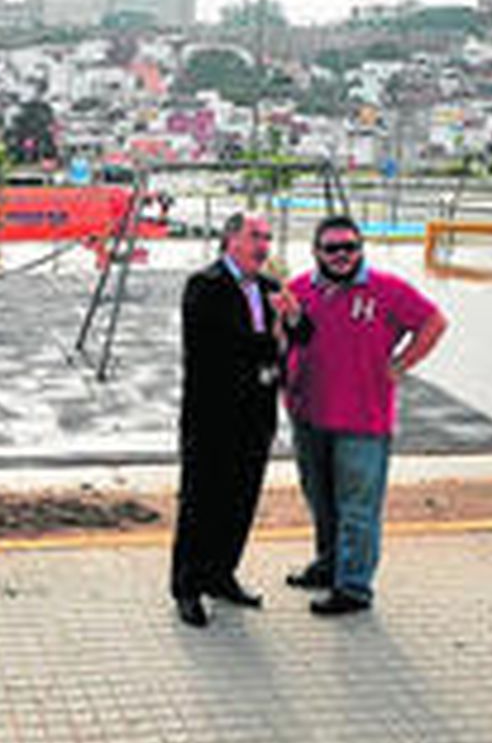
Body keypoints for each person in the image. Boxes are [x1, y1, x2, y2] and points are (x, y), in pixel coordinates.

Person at [285, 215, 448, 616]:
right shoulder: (299, 289)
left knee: (357, 508)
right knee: (320, 501)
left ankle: (354, 587)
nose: (342, 255)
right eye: (332, 248)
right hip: (309, 416)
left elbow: (434, 322)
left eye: (349, 247)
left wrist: (400, 365)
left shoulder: (387, 290)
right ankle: (328, 566)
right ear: (316, 252)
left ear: (360, 249)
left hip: (362, 422)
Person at [171, 212, 304, 629]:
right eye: (254, 236)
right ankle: (188, 587)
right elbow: (220, 346)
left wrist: (294, 318)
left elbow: (305, 335)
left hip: (256, 417)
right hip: (211, 418)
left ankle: (221, 575)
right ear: (231, 239)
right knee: (200, 504)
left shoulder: (269, 287)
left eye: (267, 237)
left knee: (240, 502)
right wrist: (276, 336)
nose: (263, 245)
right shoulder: (204, 285)